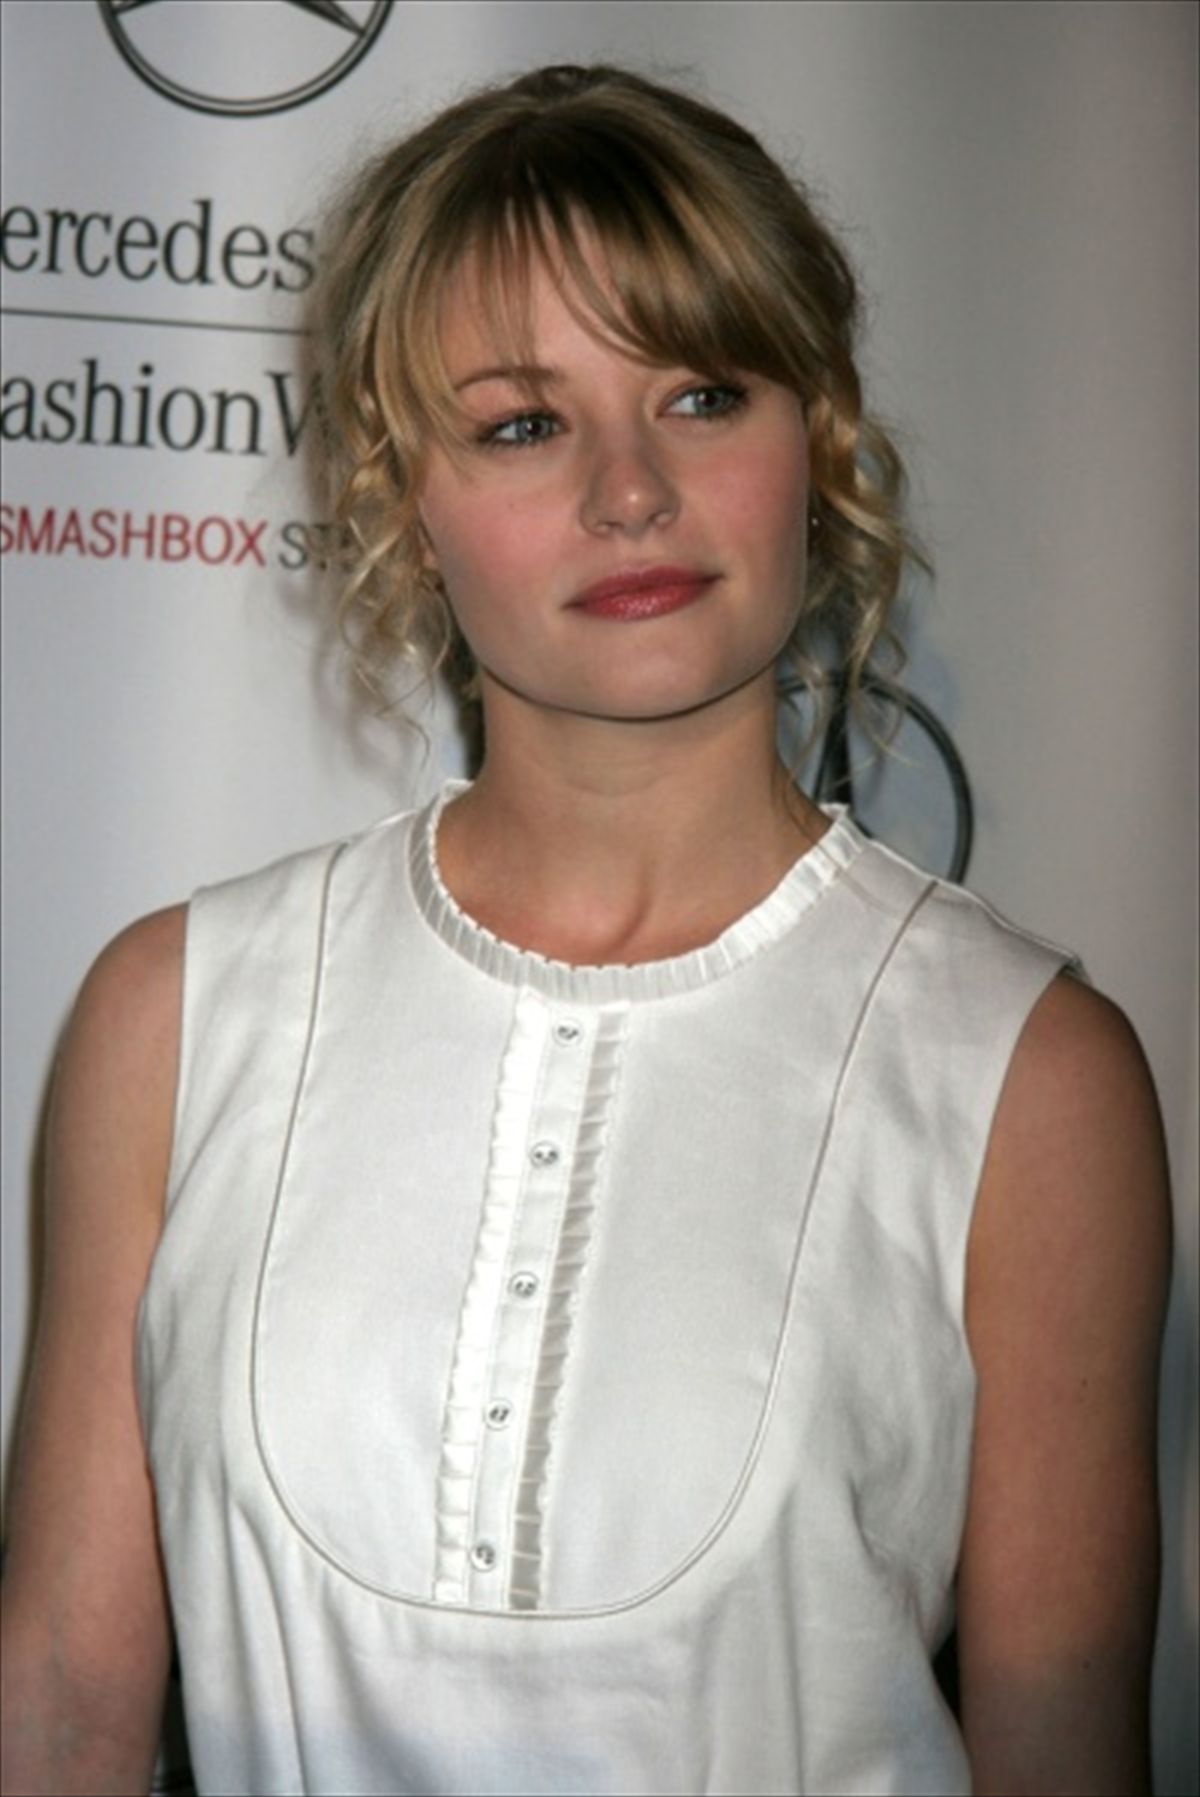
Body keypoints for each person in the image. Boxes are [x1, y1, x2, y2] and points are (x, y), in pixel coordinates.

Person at [0, 62, 1172, 1797]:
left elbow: (1064, 1750)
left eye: (702, 392)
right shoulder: (177, 1017)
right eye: (524, 425)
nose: (631, 490)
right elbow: (63, 1709)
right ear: (405, 501)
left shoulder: (1029, 1076)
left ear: (816, 439)